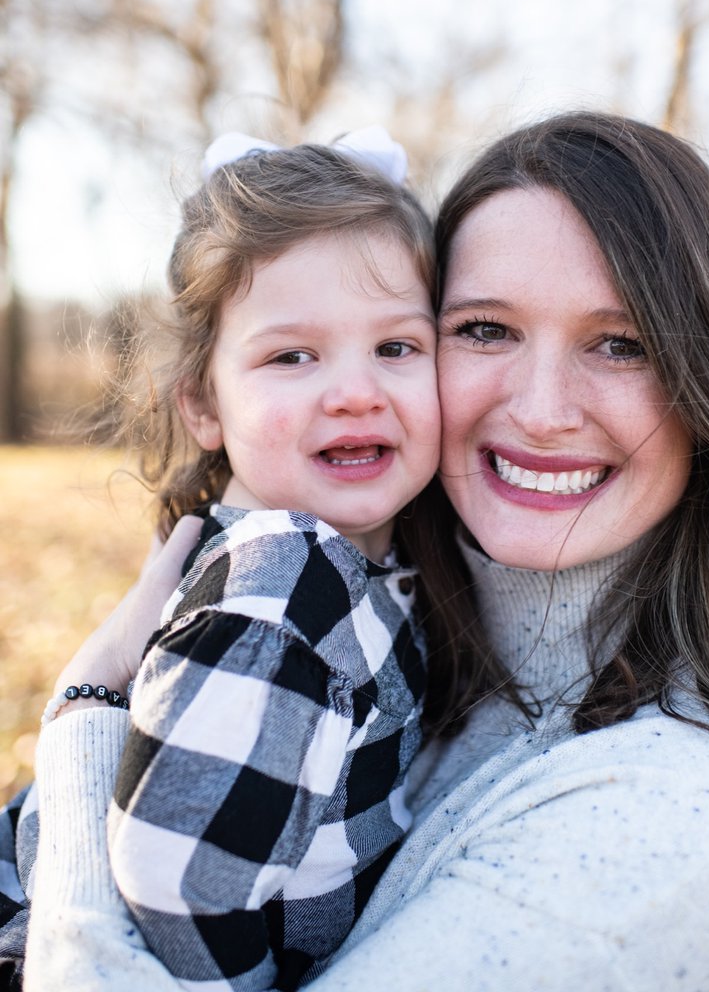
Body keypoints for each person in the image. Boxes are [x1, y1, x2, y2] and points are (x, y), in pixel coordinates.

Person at [22, 112, 709, 991]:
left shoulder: (668, 826)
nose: (542, 410)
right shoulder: (400, 629)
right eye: (485, 330)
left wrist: (85, 715)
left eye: (622, 345)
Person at [0, 126, 501, 992]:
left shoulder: (355, 568)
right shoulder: (287, 581)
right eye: (290, 356)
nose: (354, 391)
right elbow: (178, 880)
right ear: (202, 402)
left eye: (395, 347)